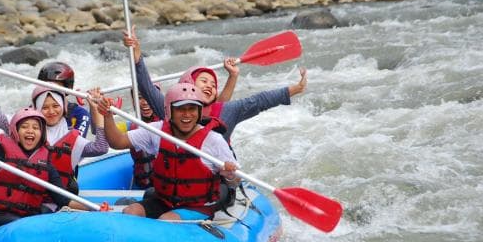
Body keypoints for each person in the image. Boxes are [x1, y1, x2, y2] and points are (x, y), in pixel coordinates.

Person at [123, 30, 307, 143]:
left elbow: (260, 101)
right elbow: (146, 87)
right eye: (203, 81)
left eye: (213, 84)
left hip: (214, 185)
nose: (210, 86)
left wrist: (296, 88)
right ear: (187, 85)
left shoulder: (228, 112)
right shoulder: (170, 109)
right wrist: (137, 54)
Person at [98, 80, 240, 221]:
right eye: (180, 109)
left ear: (199, 111)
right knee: (130, 211)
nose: (187, 114)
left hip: (198, 206)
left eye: (192, 109)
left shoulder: (214, 140)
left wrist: (229, 175)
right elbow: (117, 142)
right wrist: (108, 116)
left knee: (166, 219)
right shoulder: (157, 131)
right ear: (168, 111)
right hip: (164, 201)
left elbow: (235, 182)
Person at [0, 59, 108, 194]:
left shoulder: (70, 132)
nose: (51, 111)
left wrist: (98, 111)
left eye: (56, 106)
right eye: (45, 107)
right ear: (36, 107)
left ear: (63, 106)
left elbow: (101, 147)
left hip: (59, 192)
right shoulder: (24, 125)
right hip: (26, 191)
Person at [0, 108, 95, 236]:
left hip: (24, 223)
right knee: (21, 226)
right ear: (15, 130)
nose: (30, 131)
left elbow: (64, 200)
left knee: (37, 222)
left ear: (41, 134)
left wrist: (94, 209)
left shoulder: (46, 163)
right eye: (24, 127)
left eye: (36, 128)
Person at [37, 61, 92, 137]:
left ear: (67, 88)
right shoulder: (32, 111)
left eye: (56, 88)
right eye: (47, 86)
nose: (51, 92)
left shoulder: (80, 114)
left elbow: (76, 144)